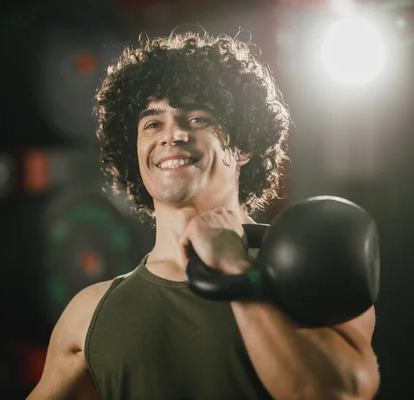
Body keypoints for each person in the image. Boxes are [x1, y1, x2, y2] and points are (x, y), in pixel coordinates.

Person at [27, 31, 380, 399]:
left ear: (243, 144)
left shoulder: (313, 267)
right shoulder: (90, 313)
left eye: (195, 118)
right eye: (152, 123)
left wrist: (234, 270)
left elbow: (339, 393)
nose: (173, 134)